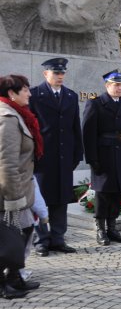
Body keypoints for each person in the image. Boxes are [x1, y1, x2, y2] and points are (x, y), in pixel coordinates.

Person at [29, 57, 83, 256]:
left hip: (64, 157)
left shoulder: (70, 96)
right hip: (42, 158)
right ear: (46, 74)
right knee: (40, 200)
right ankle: (41, 241)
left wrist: (77, 152)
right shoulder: (35, 95)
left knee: (61, 199)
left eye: (62, 73)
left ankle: (58, 239)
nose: (60, 76)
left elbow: (75, 126)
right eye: (56, 73)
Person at [82, 70, 121, 246]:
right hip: (103, 154)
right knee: (103, 193)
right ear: (107, 86)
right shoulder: (96, 104)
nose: (119, 88)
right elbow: (88, 133)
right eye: (116, 85)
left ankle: (112, 228)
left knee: (117, 192)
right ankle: (100, 228)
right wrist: (92, 159)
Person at [0, 74, 42, 298]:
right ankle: (3, 283)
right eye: (25, 89)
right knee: (8, 237)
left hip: (21, 189)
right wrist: (14, 199)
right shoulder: (6, 118)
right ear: (11, 93)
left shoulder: (18, 114)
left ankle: (14, 277)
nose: (29, 93)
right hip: (9, 193)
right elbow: (7, 162)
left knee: (24, 231)